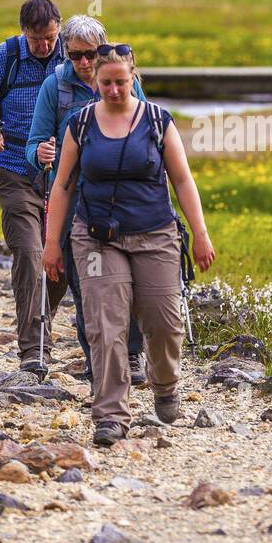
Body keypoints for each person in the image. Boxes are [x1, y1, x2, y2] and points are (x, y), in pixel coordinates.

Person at [42, 44, 215, 446]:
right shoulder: (80, 124)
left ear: (133, 76)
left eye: (121, 82)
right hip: (97, 239)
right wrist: (52, 242)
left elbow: (183, 181)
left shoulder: (157, 121)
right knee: (106, 324)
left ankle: (165, 383)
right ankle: (110, 415)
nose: (114, 90)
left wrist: (201, 233)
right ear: (95, 81)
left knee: (164, 322)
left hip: (155, 234)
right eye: (106, 83)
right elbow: (62, 186)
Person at [26, 14, 149, 388]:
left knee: (127, 281)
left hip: (122, 196)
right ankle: (96, 358)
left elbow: (150, 129)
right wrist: (41, 153)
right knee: (85, 284)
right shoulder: (55, 88)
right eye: (75, 55)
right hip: (74, 199)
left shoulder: (121, 82)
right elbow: (34, 144)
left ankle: (131, 353)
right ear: (65, 53)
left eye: (90, 55)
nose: (83, 63)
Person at [0, 0, 68, 376]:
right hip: (12, 166)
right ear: (24, 32)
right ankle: (33, 349)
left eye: (50, 38)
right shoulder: (3, 57)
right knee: (28, 250)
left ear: (59, 28)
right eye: (37, 40)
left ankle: (39, 318)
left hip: (60, 173)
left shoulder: (72, 57)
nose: (44, 47)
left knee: (62, 256)